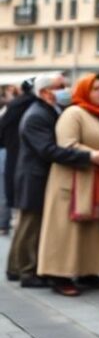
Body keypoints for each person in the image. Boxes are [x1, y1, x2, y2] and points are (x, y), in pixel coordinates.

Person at [37, 74, 99, 297]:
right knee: (66, 230)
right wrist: (93, 154)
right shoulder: (73, 113)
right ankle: (59, 274)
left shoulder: (98, 115)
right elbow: (67, 145)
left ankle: (88, 270)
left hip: (96, 177)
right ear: (85, 90)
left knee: (92, 228)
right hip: (72, 179)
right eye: (96, 89)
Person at [0, 78, 36, 239]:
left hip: (11, 151)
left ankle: (4, 224)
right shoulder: (37, 106)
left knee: (7, 190)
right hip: (29, 155)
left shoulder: (14, 106)